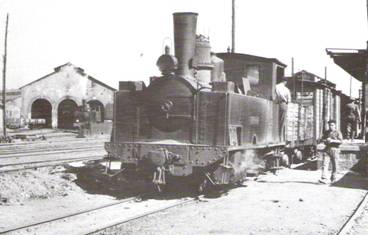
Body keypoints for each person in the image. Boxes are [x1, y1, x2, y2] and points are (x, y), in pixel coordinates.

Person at [319, 120, 343, 184]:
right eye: (329, 125)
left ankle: (333, 178)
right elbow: (322, 139)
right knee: (324, 164)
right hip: (327, 149)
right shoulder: (326, 132)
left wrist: (332, 140)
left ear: (335, 125)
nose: (330, 126)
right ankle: (324, 178)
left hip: (335, 149)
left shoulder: (338, 132)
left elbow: (340, 141)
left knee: (335, 165)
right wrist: (325, 140)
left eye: (332, 125)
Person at [275, 77, 291, 142]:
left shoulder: (276, 86)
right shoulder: (286, 89)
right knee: (281, 121)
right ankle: (280, 137)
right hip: (283, 104)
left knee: (275, 120)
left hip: (275, 103)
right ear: (285, 82)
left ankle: (276, 136)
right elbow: (289, 100)